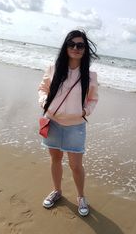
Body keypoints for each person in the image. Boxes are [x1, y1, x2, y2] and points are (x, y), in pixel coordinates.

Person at [38, 30, 99, 216]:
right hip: (53, 121)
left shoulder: (90, 75)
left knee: (75, 165)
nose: (75, 48)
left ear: (85, 50)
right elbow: (43, 89)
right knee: (55, 159)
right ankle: (57, 191)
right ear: (66, 47)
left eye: (80, 45)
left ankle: (81, 197)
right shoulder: (53, 68)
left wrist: (84, 111)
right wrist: (44, 103)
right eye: (72, 44)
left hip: (75, 126)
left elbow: (93, 99)